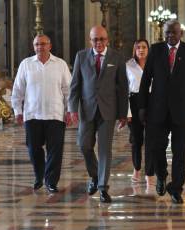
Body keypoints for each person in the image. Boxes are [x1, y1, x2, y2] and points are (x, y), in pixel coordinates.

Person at [138, 19, 185, 204]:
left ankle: (176, 188)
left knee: (180, 151)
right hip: (157, 110)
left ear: (180, 33)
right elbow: (145, 80)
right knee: (156, 147)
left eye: (173, 32)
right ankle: (161, 174)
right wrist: (142, 106)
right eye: (167, 32)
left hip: (182, 111)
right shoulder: (156, 49)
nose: (170, 35)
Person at [68, 25, 128, 203]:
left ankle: (102, 187)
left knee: (104, 151)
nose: (99, 42)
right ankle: (94, 176)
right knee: (84, 145)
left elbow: (123, 88)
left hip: (108, 111)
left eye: (102, 39)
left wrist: (123, 113)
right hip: (86, 110)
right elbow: (75, 85)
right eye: (95, 39)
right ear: (90, 40)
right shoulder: (81, 56)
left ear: (107, 40)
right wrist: (72, 109)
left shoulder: (117, 57)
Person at [11, 34, 71, 193]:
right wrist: (17, 111)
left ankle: (51, 181)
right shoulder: (26, 64)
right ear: (34, 46)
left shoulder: (60, 64)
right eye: (37, 44)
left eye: (43, 44)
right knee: (33, 149)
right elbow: (18, 90)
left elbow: (68, 90)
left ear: (50, 46)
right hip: (32, 115)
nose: (40, 47)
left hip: (55, 115)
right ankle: (39, 176)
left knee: (55, 151)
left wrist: (69, 110)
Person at [126, 39, 155, 186]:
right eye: (138, 47)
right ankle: (137, 168)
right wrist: (128, 113)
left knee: (151, 139)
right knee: (136, 139)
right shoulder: (128, 65)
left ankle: (150, 173)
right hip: (134, 102)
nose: (141, 50)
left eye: (144, 47)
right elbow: (125, 90)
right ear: (134, 50)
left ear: (148, 49)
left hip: (151, 102)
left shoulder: (154, 64)